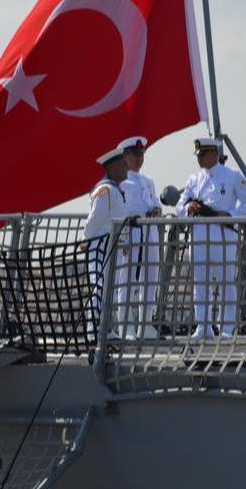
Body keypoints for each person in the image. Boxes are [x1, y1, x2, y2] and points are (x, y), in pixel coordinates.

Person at [177, 137, 246, 339]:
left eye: (202, 154)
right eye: (198, 155)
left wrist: (230, 215)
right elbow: (179, 208)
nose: (199, 159)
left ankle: (227, 327)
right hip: (199, 235)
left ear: (214, 154)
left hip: (223, 234)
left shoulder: (232, 176)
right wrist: (189, 208)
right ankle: (203, 326)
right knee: (200, 281)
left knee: (225, 280)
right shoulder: (194, 180)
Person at [84, 146, 131, 338]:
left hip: (112, 247)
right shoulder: (105, 191)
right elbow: (94, 220)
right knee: (100, 286)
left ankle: (104, 329)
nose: (126, 168)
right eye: (122, 164)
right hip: (101, 246)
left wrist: (125, 241)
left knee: (107, 288)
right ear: (112, 168)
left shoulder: (115, 190)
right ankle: (94, 330)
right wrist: (84, 241)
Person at [118, 136, 162, 339]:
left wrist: (156, 210)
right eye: (134, 155)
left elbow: (156, 205)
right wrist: (124, 239)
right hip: (132, 235)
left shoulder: (148, 181)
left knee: (150, 280)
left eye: (140, 155)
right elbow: (120, 212)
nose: (138, 159)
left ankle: (146, 323)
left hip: (150, 235)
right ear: (125, 157)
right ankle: (125, 325)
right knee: (127, 281)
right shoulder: (121, 182)